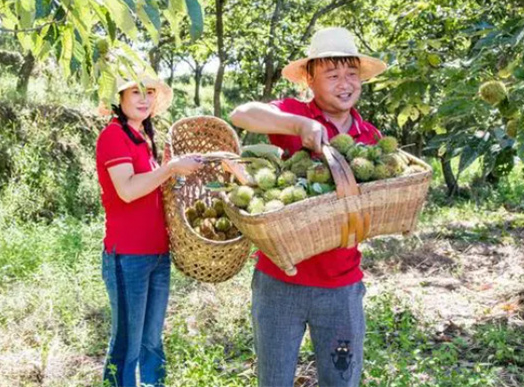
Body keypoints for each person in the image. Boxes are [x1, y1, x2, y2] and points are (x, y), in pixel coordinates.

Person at [229, 27, 388, 387]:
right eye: (332, 75)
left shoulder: (370, 138)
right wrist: (299, 124)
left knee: (341, 380)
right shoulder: (293, 113)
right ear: (310, 80)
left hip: (341, 285)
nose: (344, 83)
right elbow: (242, 113)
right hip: (280, 280)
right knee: (275, 380)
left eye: (351, 74)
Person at [96, 70, 203, 387]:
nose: (144, 99)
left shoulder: (144, 137)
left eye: (150, 93)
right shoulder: (113, 135)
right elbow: (127, 190)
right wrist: (169, 168)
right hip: (128, 256)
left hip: (158, 254)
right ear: (119, 100)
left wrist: (177, 171)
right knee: (126, 344)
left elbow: (156, 190)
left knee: (152, 340)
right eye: (135, 93)